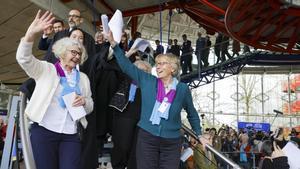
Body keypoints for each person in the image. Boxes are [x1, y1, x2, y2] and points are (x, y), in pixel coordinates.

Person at [105, 31, 206, 169]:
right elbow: (126, 66)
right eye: (157, 63)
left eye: (162, 63)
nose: (158, 66)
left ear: (173, 68)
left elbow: (192, 113)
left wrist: (199, 134)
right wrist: (114, 45)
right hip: (147, 137)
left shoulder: (183, 89)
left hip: (172, 142)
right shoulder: (147, 80)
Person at [16, 10, 93, 169]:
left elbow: (90, 104)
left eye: (80, 54)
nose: (77, 56)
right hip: (44, 131)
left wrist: (84, 101)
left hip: (71, 134)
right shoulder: (47, 70)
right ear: (62, 52)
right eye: (73, 52)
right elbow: (24, 59)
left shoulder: (83, 79)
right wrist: (30, 35)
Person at [110, 59, 152, 169]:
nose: (142, 72)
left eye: (145, 71)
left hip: (142, 120)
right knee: (122, 146)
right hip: (123, 117)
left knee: (137, 149)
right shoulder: (125, 80)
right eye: (139, 70)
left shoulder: (150, 86)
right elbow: (116, 67)